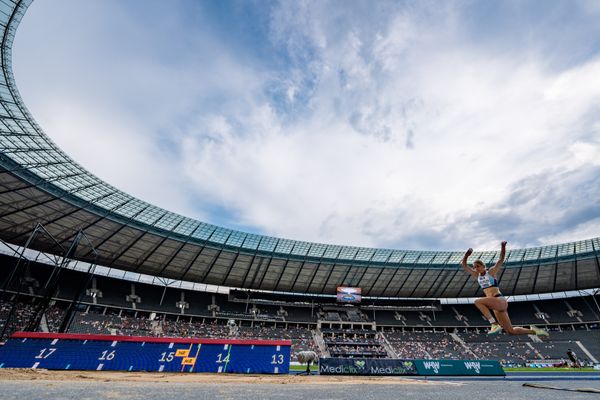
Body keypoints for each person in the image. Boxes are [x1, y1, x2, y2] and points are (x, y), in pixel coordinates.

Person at [461, 241, 548, 337]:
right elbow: (464, 265)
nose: (476, 268)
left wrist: (503, 247)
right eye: (474, 267)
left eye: (477, 266)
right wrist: (466, 255)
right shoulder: (476, 275)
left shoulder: (491, 272)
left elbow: (501, 259)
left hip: (499, 300)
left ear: (483, 266)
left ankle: (493, 324)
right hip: (495, 306)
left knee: (478, 302)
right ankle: (534, 331)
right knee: (510, 331)